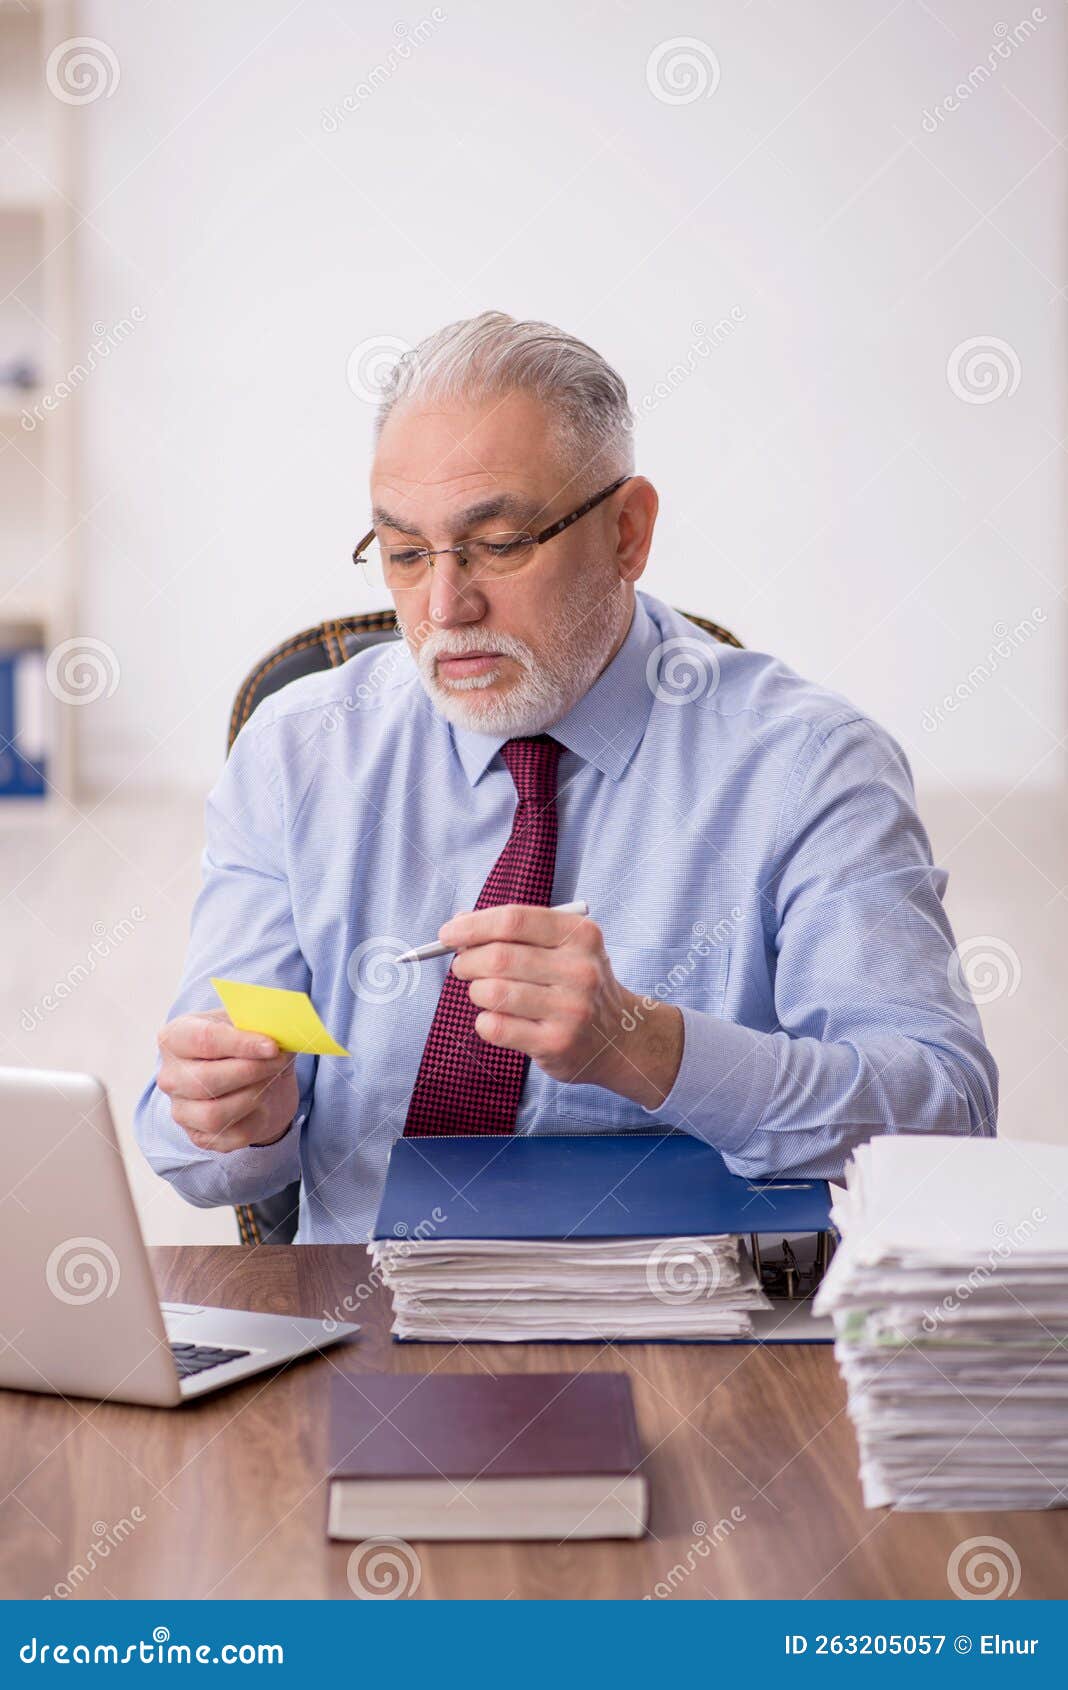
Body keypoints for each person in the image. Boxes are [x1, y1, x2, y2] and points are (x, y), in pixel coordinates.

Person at [135, 310, 997, 1242]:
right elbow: (189, 1138)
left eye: (500, 545)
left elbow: (944, 1112)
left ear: (628, 533)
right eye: (405, 553)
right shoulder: (298, 753)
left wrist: (651, 1048)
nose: (445, 607)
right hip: (363, 1328)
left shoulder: (808, 761)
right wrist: (236, 1122)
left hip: (692, 1331)